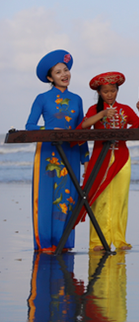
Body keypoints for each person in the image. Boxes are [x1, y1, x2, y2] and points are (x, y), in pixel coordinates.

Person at [25, 49, 89, 252]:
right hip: (47, 154)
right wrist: (50, 130)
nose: (64, 75)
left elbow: (81, 131)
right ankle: (44, 243)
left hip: (70, 153)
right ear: (49, 77)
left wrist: (85, 159)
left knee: (67, 197)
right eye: (59, 72)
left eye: (66, 70)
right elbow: (30, 126)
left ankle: (63, 243)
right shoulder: (42, 98)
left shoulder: (77, 99)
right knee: (45, 199)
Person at [79, 71, 139, 251]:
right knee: (98, 198)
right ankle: (97, 241)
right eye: (105, 92)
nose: (109, 94)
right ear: (99, 93)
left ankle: (119, 239)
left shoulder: (125, 109)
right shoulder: (94, 110)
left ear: (117, 90)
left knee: (120, 199)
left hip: (122, 157)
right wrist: (102, 114)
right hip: (100, 157)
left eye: (112, 91)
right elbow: (84, 126)